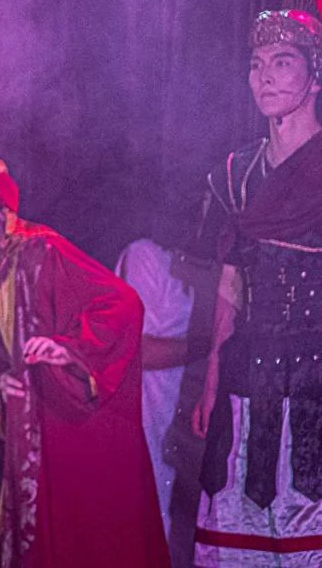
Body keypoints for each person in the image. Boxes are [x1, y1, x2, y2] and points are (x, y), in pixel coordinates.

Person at [0, 151, 169, 568]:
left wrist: (69, 349)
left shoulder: (41, 251)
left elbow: (122, 305)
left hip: (76, 434)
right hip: (32, 439)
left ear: (0, 212)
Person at [190, 0, 322, 567]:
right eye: (256, 64)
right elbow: (231, 281)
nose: (265, 75)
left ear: (315, 76)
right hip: (246, 377)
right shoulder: (235, 174)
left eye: (283, 62)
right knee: (237, 534)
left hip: (317, 377)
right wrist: (211, 379)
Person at [115, 236, 217, 567]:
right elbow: (138, 350)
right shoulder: (145, 255)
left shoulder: (209, 263)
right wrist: (211, 348)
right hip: (146, 428)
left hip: (186, 432)